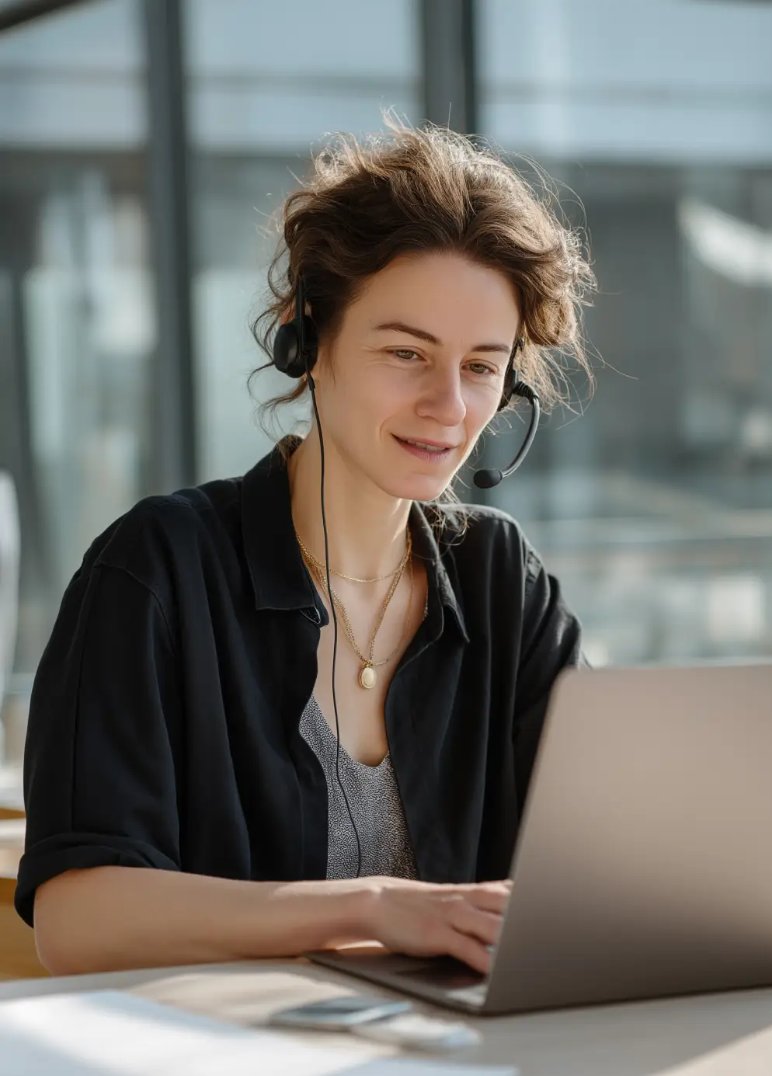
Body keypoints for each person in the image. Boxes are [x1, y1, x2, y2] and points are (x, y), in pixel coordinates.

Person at [16, 119, 594, 977]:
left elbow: (606, 863)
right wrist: (373, 907)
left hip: (471, 1042)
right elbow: (77, 920)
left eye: (481, 367)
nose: (448, 406)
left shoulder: (504, 582)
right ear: (306, 341)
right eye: (407, 353)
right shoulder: (156, 571)